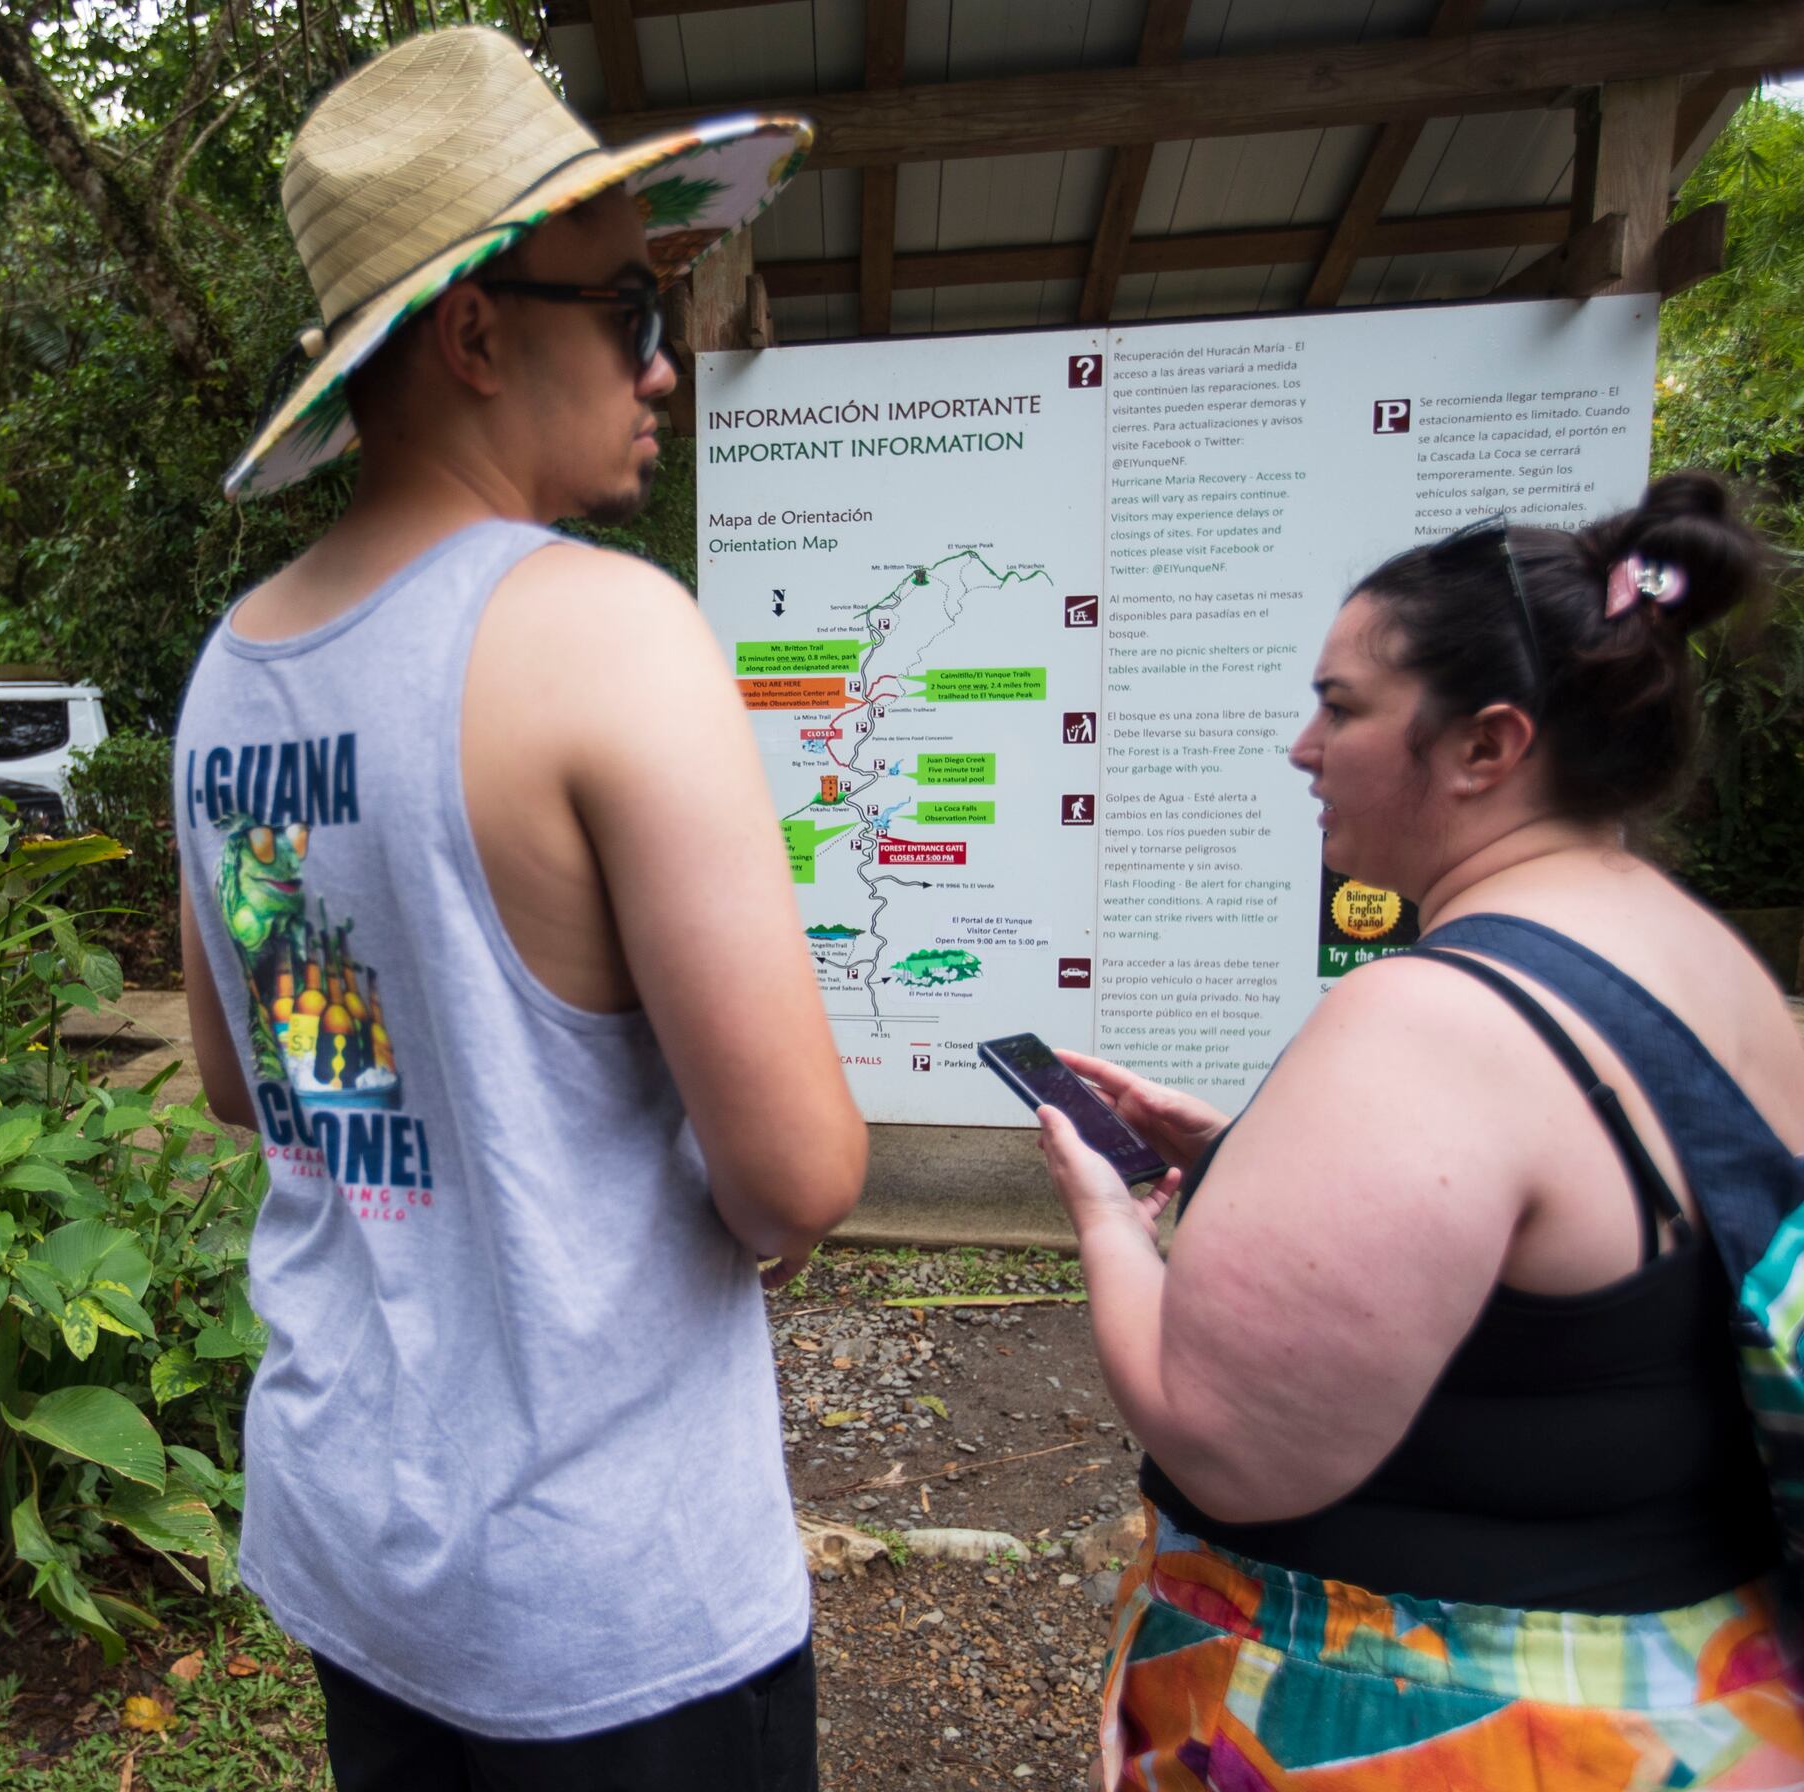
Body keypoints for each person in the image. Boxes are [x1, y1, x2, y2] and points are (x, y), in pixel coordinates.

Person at [173, 27, 868, 1790]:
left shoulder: (236, 671)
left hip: (362, 1547)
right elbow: (797, 1175)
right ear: (478, 332)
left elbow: (256, 1085)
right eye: (632, 311)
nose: (666, 367)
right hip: (610, 1595)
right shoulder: (604, 631)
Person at [1032, 474, 1804, 1788]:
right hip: (1689, 1698)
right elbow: (1582, 1265)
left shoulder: (1429, 1016)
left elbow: (1221, 1431)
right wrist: (1244, 1164)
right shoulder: (1697, 958)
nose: (1302, 747)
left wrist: (1109, 1217)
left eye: (1340, 707)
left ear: (1488, 747)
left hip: (1453, 1730)